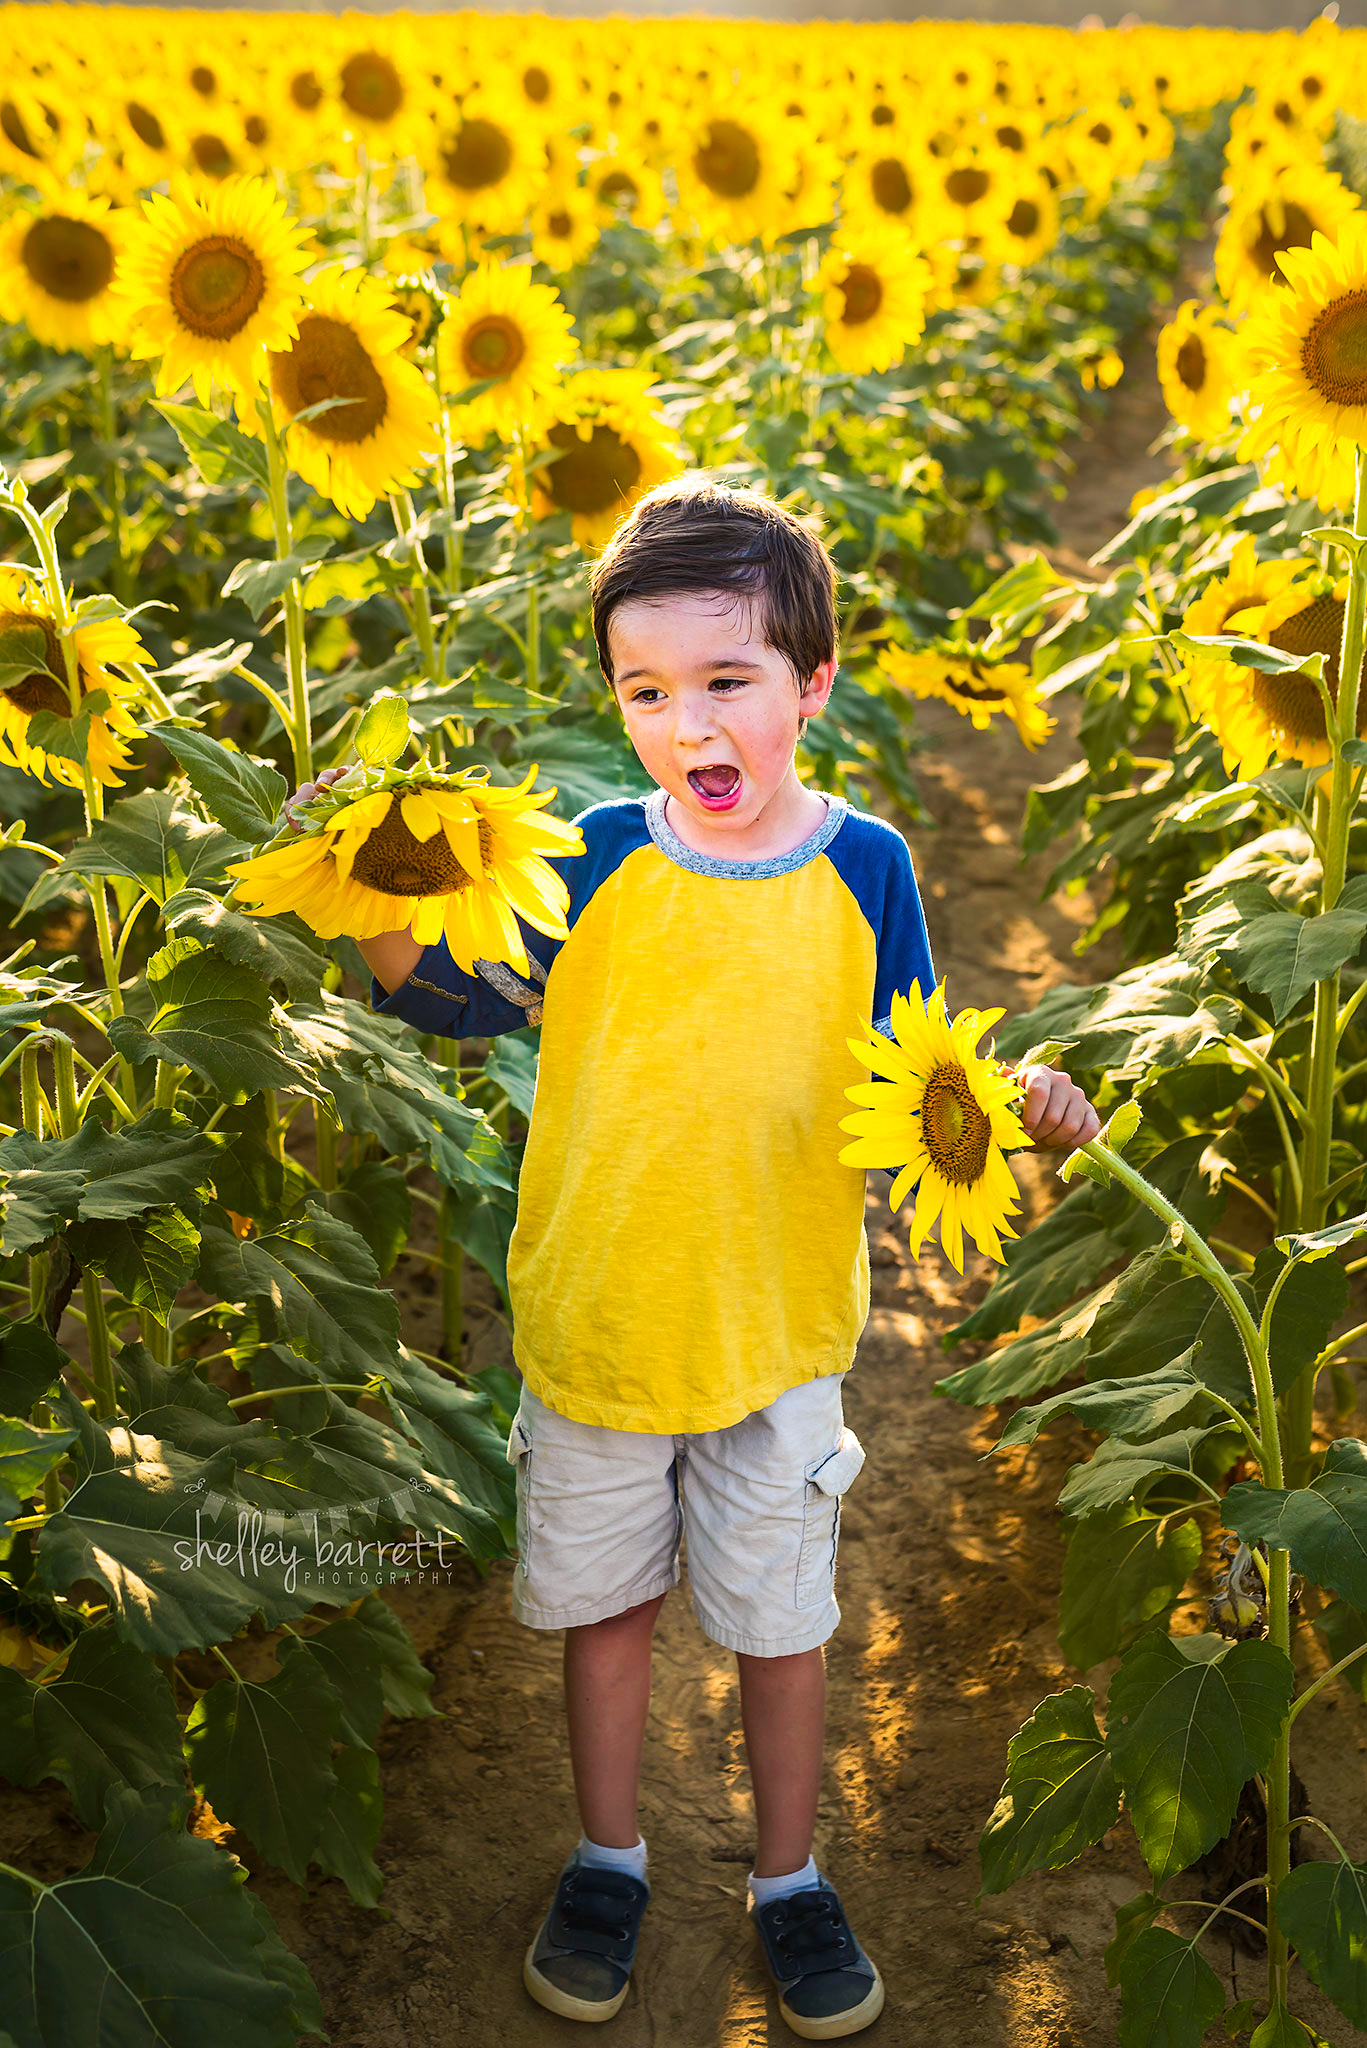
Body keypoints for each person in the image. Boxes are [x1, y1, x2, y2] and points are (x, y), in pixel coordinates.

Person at [288, 475, 1100, 2038]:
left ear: (813, 685)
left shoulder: (865, 869)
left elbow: (916, 1075)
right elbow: (446, 998)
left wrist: (1021, 1108)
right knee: (607, 1619)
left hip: (777, 1325)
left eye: (726, 683)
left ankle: (788, 1881)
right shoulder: (593, 855)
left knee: (781, 1628)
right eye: (645, 691)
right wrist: (365, 875)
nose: (687, 724)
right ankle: (610, 1860)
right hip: (598, 1315)